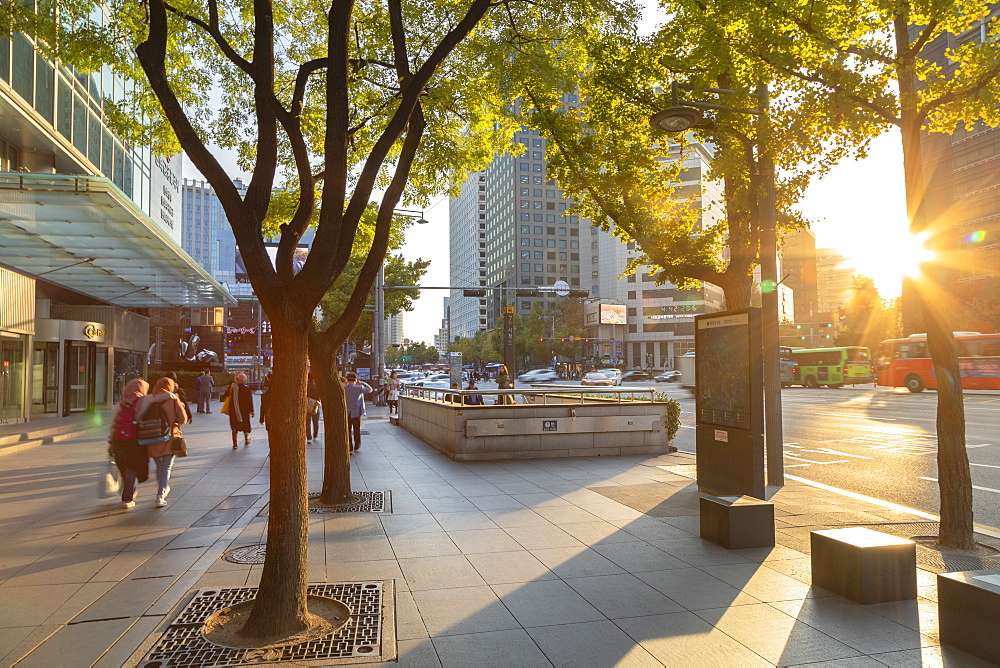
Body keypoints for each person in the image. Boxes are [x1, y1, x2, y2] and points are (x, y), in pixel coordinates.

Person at [136, 377, 186, 508]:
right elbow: (183, 418)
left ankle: (161, 491)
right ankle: (161, 494)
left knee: (159, 466)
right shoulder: (173, 399)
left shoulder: (148, 399)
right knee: (167, 466)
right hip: (169, 436)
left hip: (152, 437)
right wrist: (175, 424)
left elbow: (139, 416)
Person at [109, 378, 150, 509]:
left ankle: (127, 491)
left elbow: (114, 424)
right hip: (134, 440)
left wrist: (111, 441)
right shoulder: (142, 401)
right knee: (132, 468)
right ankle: (127, 499)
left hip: (118, 440)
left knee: (123, 467)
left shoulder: (120, 404)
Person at [224, 373, 255, 449]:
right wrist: (251, 410)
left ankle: (235, 444)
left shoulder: (232, 388)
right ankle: (247, 439)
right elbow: (249, 400)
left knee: (234, 427)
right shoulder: (246, 389)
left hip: (234, 411)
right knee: (245, 425)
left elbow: (225, 396)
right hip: (244, 411)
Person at [343, 372, 372, 452]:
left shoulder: (344, 388)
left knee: (348, 430)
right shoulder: (359, 388)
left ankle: (350, 447)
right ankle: (357, 445)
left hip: (347, 411)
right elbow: (370, 389)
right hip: (356, 412)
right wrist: (362, 382)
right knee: (356, 429)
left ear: (347, 379)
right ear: (355, 379)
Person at [305, 372, 320, 442]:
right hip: (315, 405)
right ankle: (315, 435)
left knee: (307, 422)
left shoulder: (305, 386)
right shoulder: (317, 386)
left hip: (307, 405)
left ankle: (309, 437)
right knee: (315, 421)